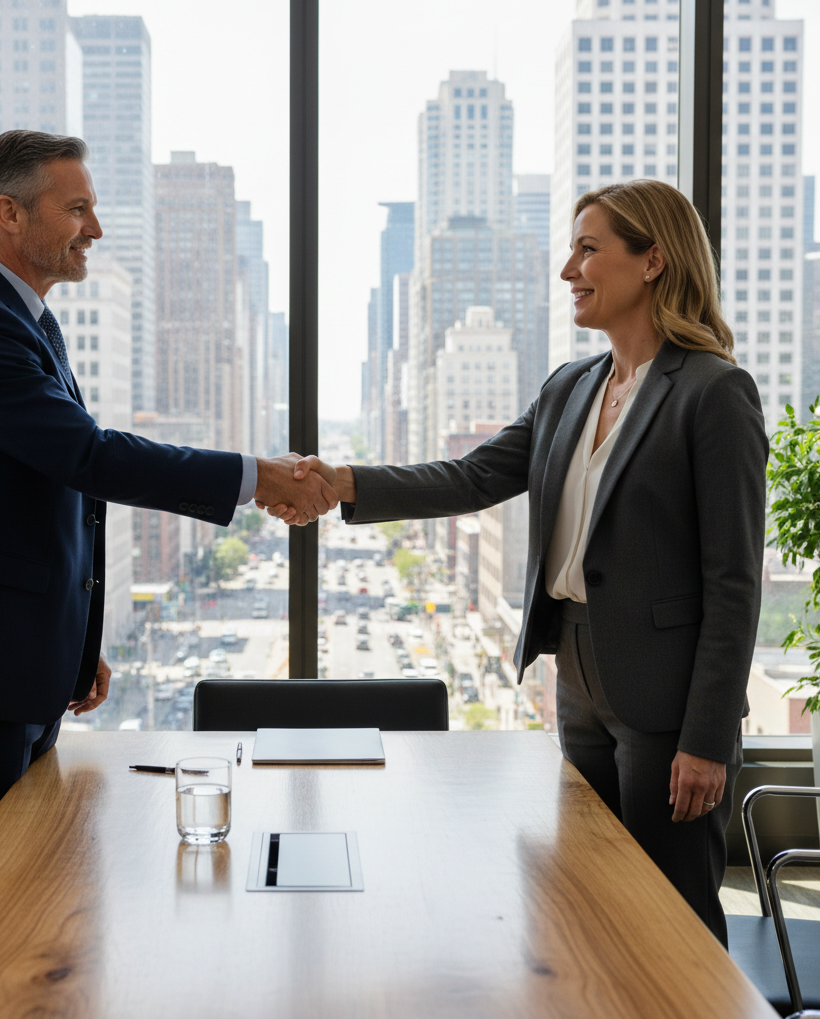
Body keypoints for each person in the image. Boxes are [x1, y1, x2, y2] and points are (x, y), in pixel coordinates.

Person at [262, 179, 767, 945]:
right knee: (591, 893)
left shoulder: (713, 392)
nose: (569, 271)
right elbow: (471, 478)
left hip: (666, 694)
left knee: (672, 915)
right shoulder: (572, 387)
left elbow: (735, 584)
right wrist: (345, 483)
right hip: (579, 674)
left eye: (589, 249)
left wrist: (704, 738)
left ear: (654, 260)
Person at [0, 130, 338, 907]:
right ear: (10, 214)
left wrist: (71, 641)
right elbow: (86, 457)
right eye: (78, 208)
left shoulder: (26, 322)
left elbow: (51, 496)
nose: (95, 228)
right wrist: (259, 476)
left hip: (8, 660)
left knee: (22, 889)